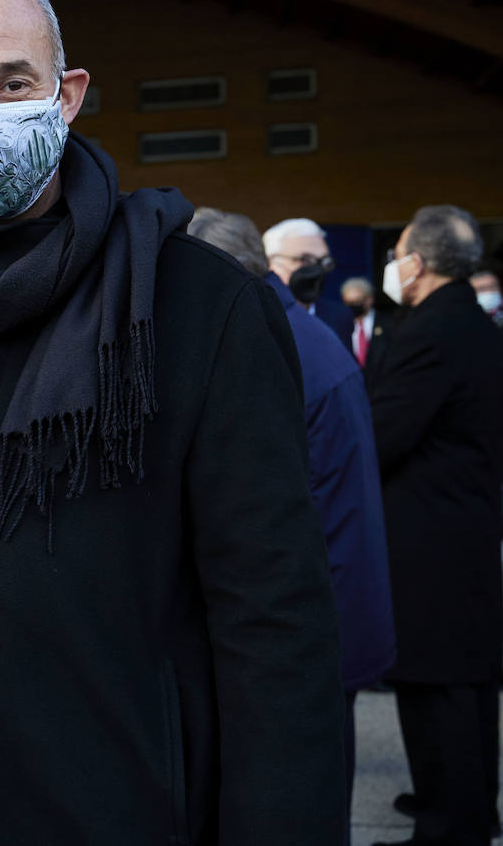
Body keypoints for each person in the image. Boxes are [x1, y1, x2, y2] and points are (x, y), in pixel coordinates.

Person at [0, 0, 345, 844]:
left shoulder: (197, 303)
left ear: (67, 96)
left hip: (127, 808)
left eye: (12, 83)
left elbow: (277, 622)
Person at [190, 208, 396, 841]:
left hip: (312, 617)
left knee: (301, 800)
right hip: (334, 601)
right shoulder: (292, 328)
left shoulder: (264, 341)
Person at [369, 205, 503, 846]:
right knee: (466, 680)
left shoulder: (429, 331)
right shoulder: (471, 323)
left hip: (429, 534)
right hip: (463, 522)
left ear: (417, 263)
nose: (393, 263)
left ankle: (449, 825)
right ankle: (469, 806)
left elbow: (382, 434)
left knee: (435, 682)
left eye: (397, 251)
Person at [265, 217, 355, 352]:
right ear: (271, 263)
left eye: (324, 261)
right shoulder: (259, 315)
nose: (316, 270)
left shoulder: (340, 317)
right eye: (305, 260)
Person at [341, 276, 393, 386]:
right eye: (348, 302)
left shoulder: (389, 324)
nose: (353, 306)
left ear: (369, 299)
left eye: (357, 301)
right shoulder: (339, 325)